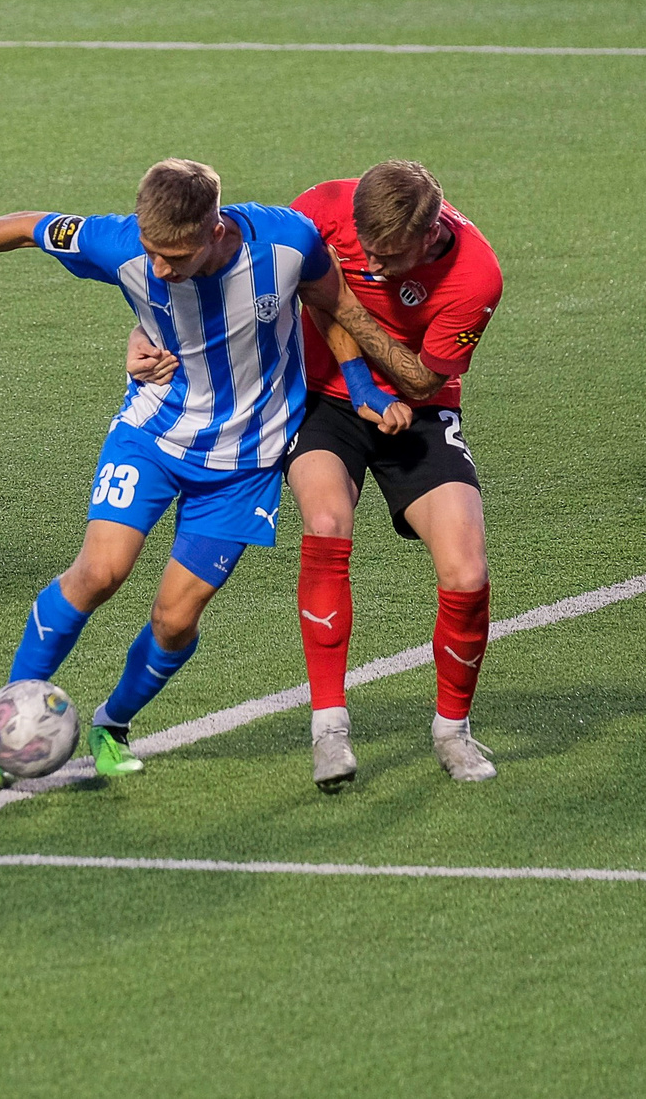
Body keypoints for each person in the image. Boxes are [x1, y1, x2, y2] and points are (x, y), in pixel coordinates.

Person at [0, 160, 345, 788]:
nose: (159, 268)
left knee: (176, 620)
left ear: (214, 230)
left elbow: (333, 303)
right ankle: (7, 723)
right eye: (151, 251)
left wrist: (364, 384)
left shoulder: (285, 241)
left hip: (245, 464)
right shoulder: (119, 243)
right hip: (152, 436)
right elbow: (27, 227)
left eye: (174, 257)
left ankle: (113, 723)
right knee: (99, 572)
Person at [129, 163, 505, 789]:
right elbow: (220, 263)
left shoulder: (476, 277)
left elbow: (420, 380)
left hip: (421, 411)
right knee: (327, 521)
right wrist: (143, 330)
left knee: (466, 570)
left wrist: (339, 305)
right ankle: (329, 730)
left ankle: (453, 730)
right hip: (317, 401)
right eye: (367, 252)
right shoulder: (325, 207)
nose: (375, 267)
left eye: (392, 257)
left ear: (432, 231)